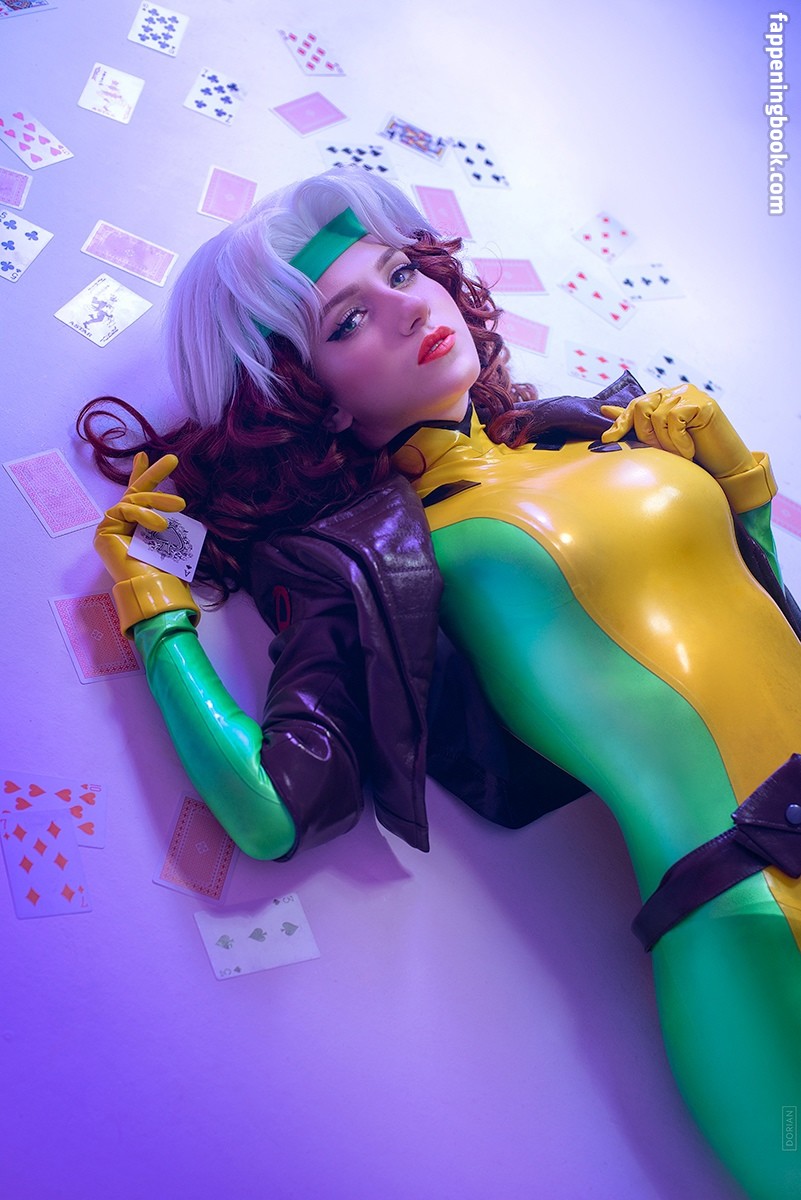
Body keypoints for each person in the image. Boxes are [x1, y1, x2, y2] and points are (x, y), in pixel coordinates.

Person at [78, 168, 801, 1200]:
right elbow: (271, 811)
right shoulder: (366, 557)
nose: (411, 307)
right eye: (348, 320)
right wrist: (155, 608)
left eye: (402, 271)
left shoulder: (594, 432)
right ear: (299, 393)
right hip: (755, 907)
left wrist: (741, 495)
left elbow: (754, 622)